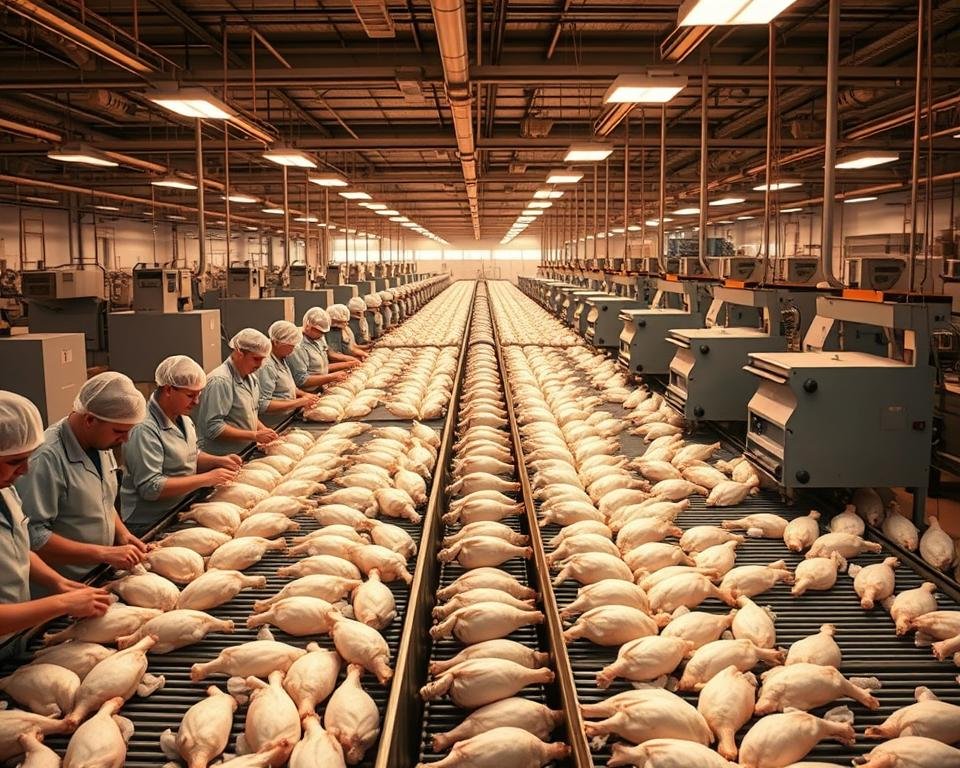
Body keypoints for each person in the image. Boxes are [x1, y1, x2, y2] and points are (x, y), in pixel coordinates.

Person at [16, 373, 149, 583]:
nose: (125, 439)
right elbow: (32, 536)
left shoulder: (100, 442)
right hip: (62, 587)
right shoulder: (46, 459)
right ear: (89, 419)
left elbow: (102, 498)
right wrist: (103, 553)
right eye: (119, 431)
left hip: (97, 576)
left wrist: (121, 533)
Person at [0, 392, 112, 639]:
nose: (26, 469)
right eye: (14, 461)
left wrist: (57, 583)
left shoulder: (6, 490)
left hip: (15, 637)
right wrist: (61, 604)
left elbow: (20, 548)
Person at [119, 356, 242, 533]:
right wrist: (206, 479)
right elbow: (151, 488)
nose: (197, 401)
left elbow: (191, 454)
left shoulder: (182, 417)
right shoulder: (144, 429)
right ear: (169, 390)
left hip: (178, 510)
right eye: (191, 395)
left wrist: (218, 460)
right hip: (150, 523)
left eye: (199, 394)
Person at [194, 328, 279, 456]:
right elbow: (213, 428)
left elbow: (249, 415)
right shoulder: (220, 381)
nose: (260, 365)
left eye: (263, 359)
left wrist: (265, 432)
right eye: (256, 359)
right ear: (239, 353)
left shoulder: (251, 378)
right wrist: (254, 435)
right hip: (221, 457)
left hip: (244, 452)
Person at [258, 321, 320, 418]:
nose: (293, 350)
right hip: (273, 424)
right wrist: (298, 402)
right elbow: (263, 404)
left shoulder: (281, 357)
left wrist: (304, 395)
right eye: (291, 346)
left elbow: (288, 387)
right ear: (277, 343)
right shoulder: (266, 365)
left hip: (286, 417)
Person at [288, 308, 357, 392]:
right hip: (309, 392)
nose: (322, 336)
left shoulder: (318, 338)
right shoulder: (297, 346)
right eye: (319, 332)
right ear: (308, 326)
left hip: (321, 387)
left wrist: (348, 364)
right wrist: (332, 377)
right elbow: (301, 380)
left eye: (323, 333)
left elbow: (321, 368)